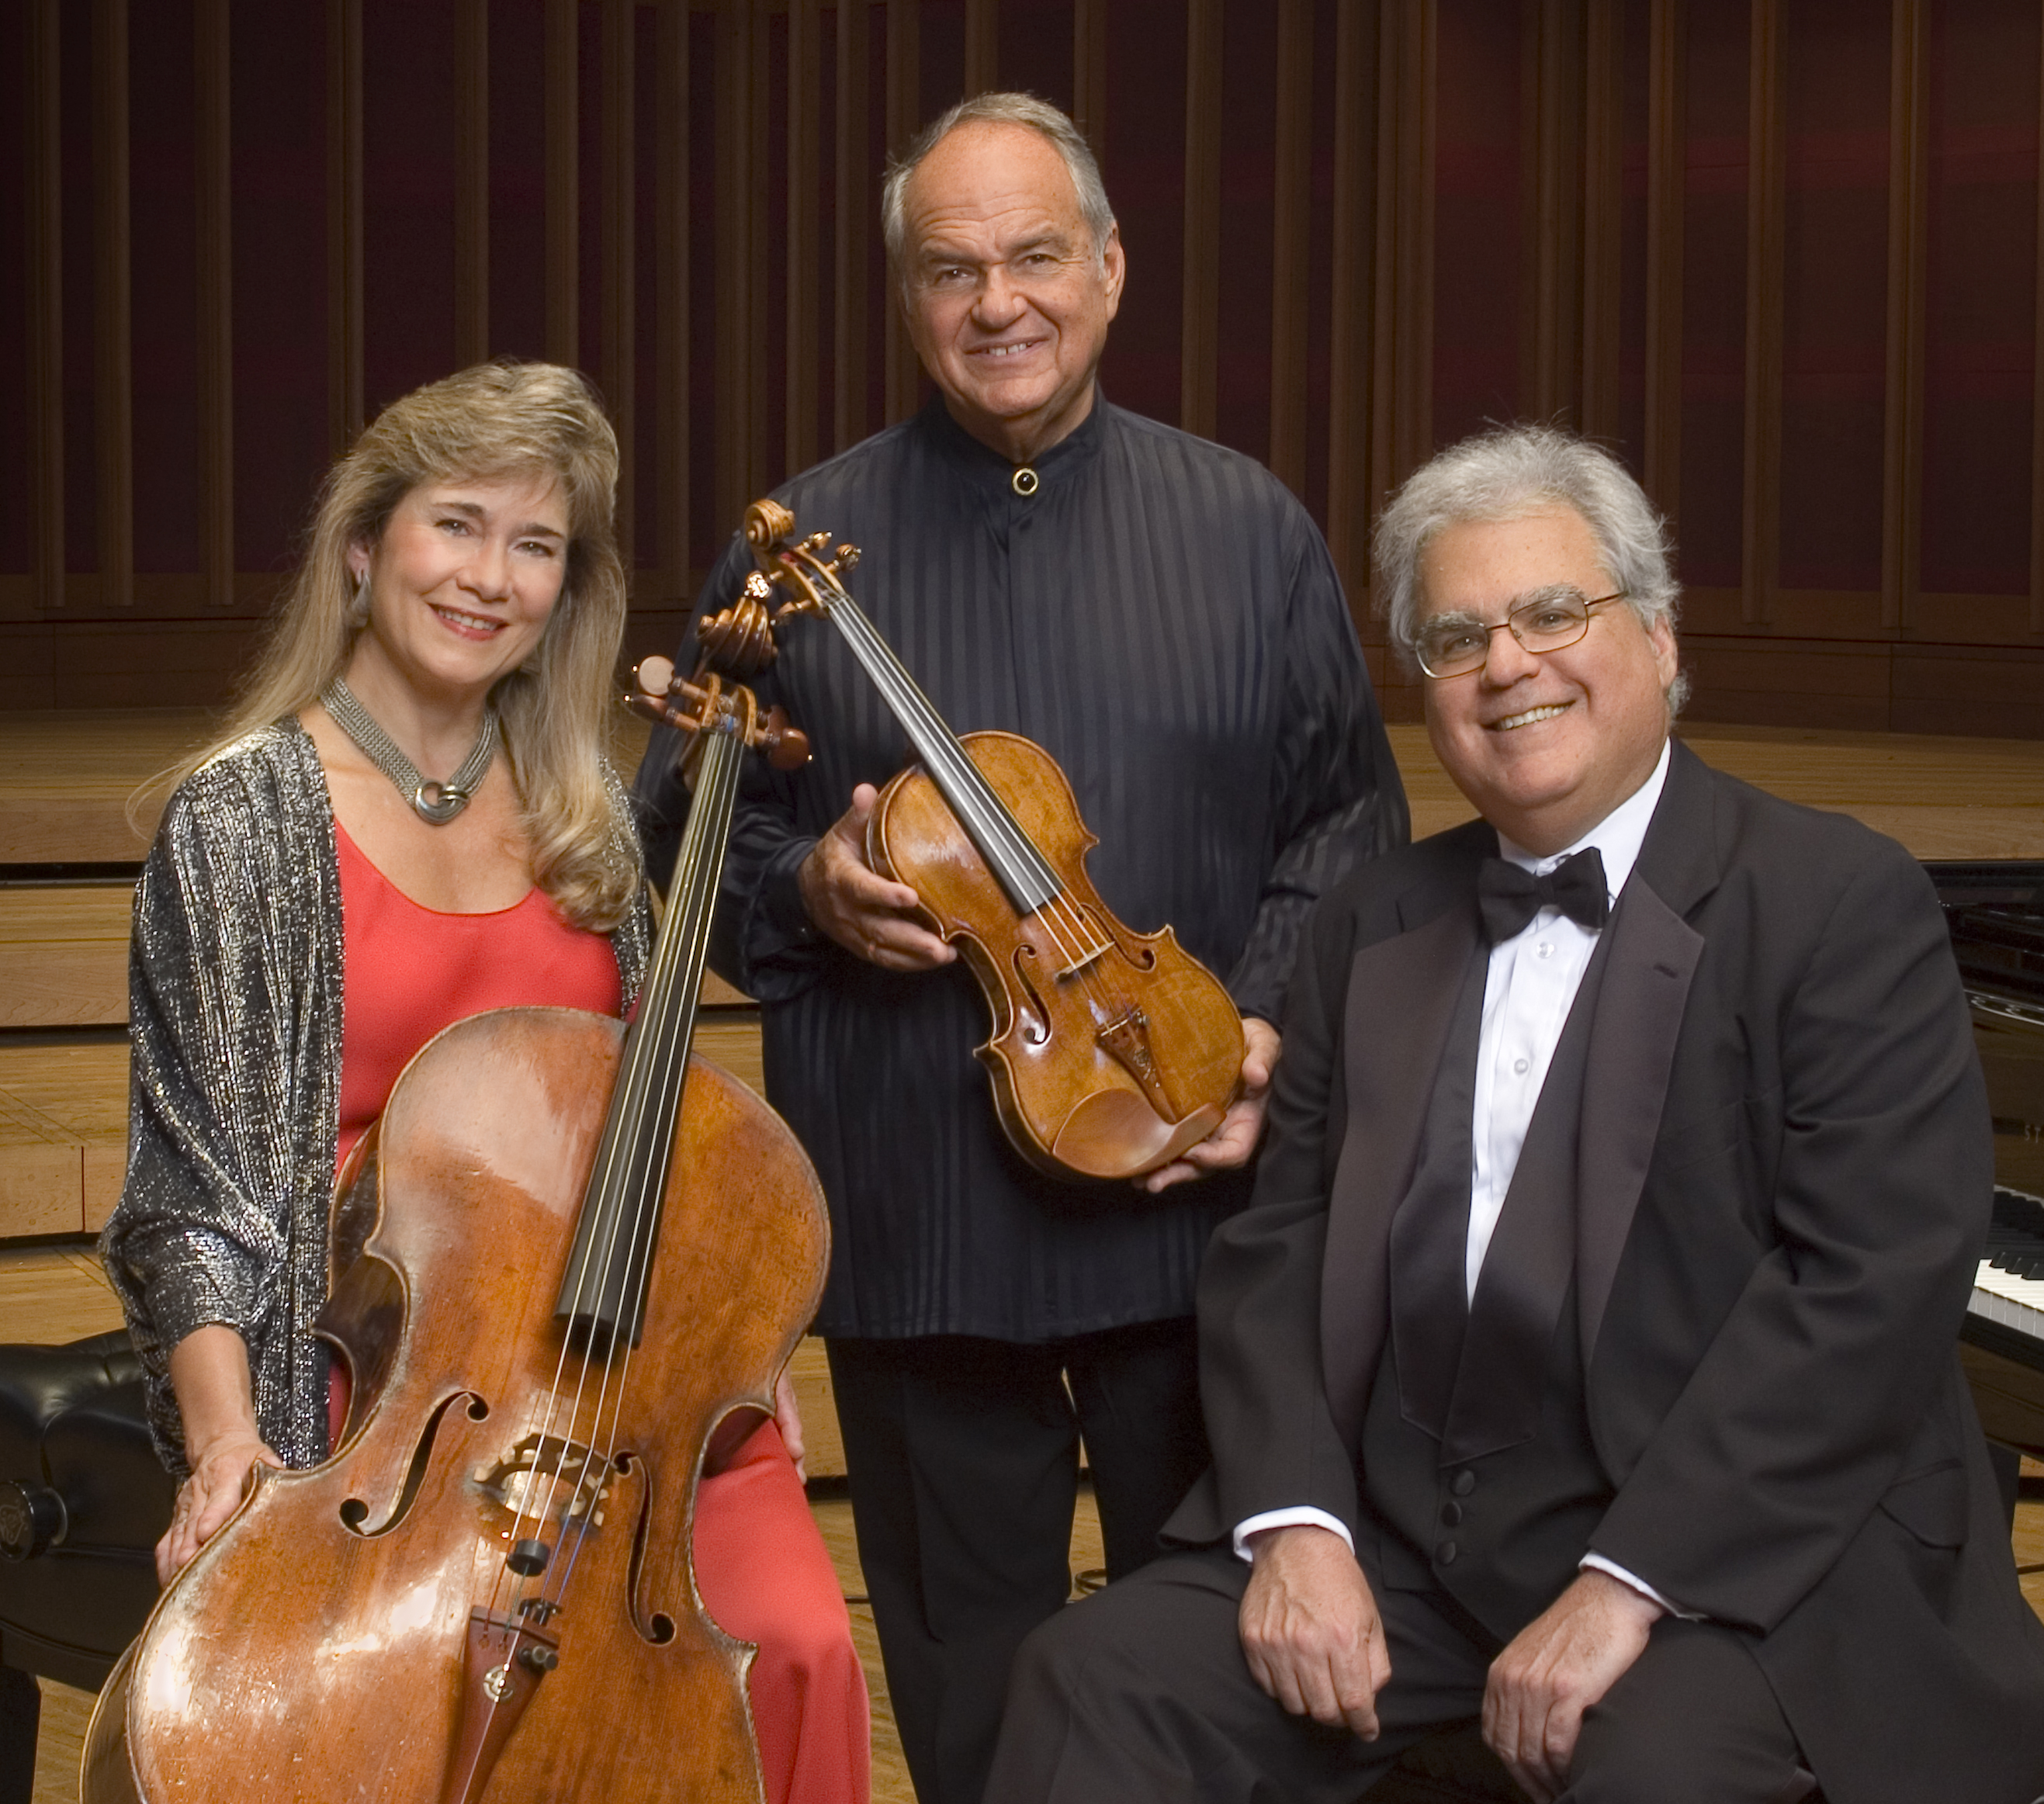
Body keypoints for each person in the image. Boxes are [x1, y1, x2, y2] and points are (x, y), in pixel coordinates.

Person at [982, 424, 2044, 1804]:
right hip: (1412, 1546)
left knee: (1648, 1772)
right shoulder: (1371, 917)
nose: (1506, 664)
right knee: (1096, 1677)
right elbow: (1276, 1250)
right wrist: (1296, 1522)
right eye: (1455, 634)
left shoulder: (1837, 902)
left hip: (1740, 1556)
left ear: (1660, 639)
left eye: (1552, 612)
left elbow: (1864, 1291)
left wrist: (1626, 1583)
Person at [634, 92, 1407, 1804]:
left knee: (1222, 1664)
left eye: (1037, 255)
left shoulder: (1246, 526)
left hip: (1185, 1192)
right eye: (952, 267)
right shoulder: (797, 557)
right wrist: (806, 895)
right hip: (921, 1209)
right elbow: (681, 835)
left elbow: (1345, 825)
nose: (1001, 302)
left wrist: (1249, 1027)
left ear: (1112, 270)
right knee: (970, 1676)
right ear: (910, 299)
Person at [101, 361, 869, 1804]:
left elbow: (658, 1126)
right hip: (368, 1388)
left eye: (537, 546)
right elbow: (187, 1194)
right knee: (407, 1683)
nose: (489, 577)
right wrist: (222, 1444)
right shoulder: (243, 817)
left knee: (792, 1640)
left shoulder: (589, 816)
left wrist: (733, 1342)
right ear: (363, 547)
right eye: (457, 524)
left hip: (613, 1381)